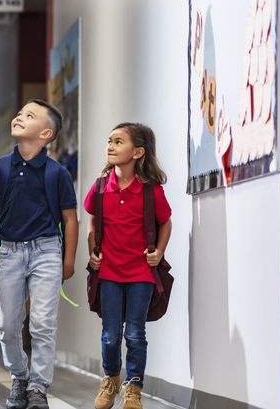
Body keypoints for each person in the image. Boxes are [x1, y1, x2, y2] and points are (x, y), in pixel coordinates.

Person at [0, 99, 78, 409]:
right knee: (7, 325)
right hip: (9, 253)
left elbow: (70, 219)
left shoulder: (57, 173)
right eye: (20, 113)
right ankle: (19, 376)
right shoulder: (0, 168)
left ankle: (38, 387)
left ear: (46, 133)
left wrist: (68, 260)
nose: (19, 117)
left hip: (47, 252)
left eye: (30, 115)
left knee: (42, 324)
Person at [85, 123, 172, 409]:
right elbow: (93, 223)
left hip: (141, 273)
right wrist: (92, 252)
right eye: (109, 141)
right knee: (111, 335)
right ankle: (110, 381)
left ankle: (133, 388)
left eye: (118, 142)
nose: (110, 146)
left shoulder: (151, 191)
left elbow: (165, 222)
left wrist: (158, 252)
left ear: (137, 152)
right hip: (109, 272)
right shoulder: (100, 188)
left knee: (135, 333)